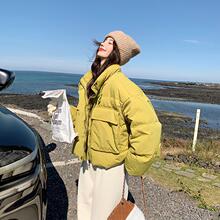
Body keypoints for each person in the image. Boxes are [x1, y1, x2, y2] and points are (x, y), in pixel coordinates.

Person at [49, 30, 162, 220]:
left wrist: (132, 164)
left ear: (119, 52)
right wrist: (61, 109)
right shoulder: (89, 82)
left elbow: (148, 128)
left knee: (106, 215)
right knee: (85, 212)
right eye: (105, 40)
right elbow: (84, 120)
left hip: (111, 168)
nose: (104, 43)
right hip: (87, 161)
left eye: (111, 42)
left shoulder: (122, 86)